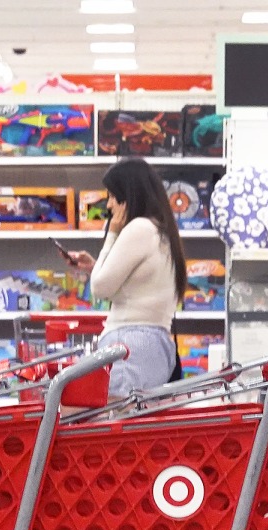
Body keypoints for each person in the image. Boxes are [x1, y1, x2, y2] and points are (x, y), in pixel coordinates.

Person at [64, 158, 186, 397]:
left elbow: (100, 288)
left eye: (111, 196)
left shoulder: (138, 228)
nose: (109, 205)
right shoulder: (162, 230)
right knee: (139, 425)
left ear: (128, 196)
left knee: (116, 422)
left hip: (128, 345)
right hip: (158, 345)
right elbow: (135, 283)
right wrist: (96, 266)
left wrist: (112, 234)